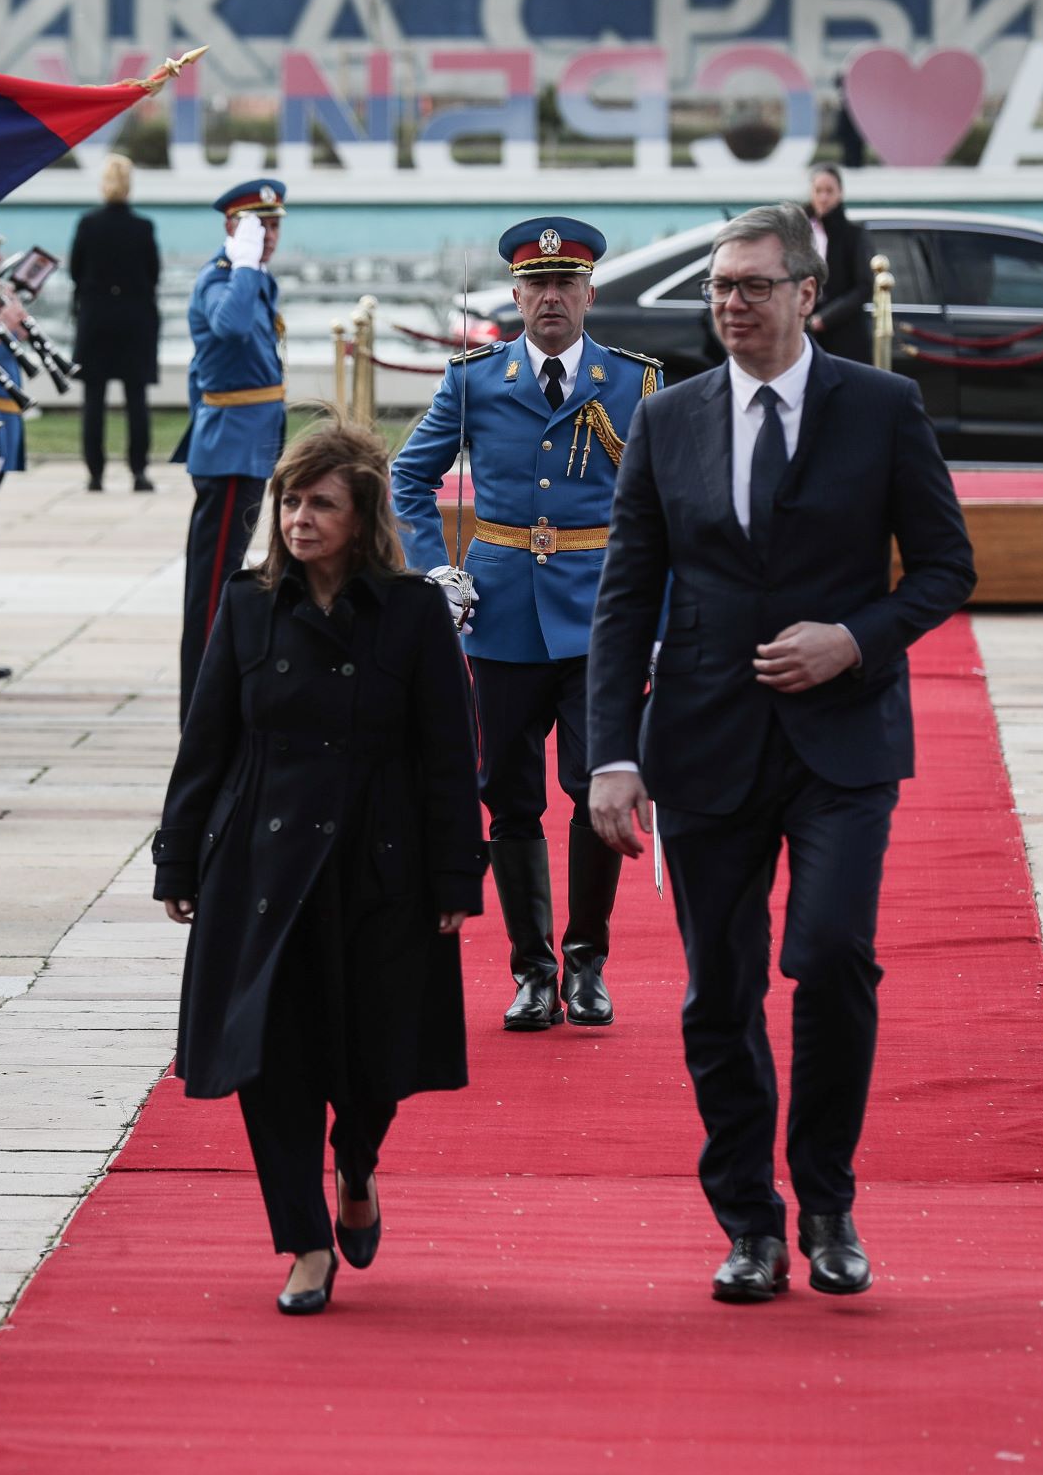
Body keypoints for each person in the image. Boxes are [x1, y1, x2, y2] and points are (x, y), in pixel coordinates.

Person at [585, 202, 974, 1305]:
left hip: (844, 740)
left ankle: (830, 1200)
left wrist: (855, 636)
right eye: (719, 288)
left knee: (833, 956)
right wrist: (612, 752)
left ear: (808, 292)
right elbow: (623, 599)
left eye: (754, 285)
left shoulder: (883, 407)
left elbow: (946, 568)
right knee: (720, 989)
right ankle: (749, 1221)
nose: (731, 305)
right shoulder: (669, 421)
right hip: (702, 739)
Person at [152, 415, 483, 1317]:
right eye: (290, 500)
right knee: (273, 1060)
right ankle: (302, 1240)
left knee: (374, 1058)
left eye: (321, 503)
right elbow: (207, 738)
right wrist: (178, 854)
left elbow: (449, 752)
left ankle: (360, 1160)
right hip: (262, 864)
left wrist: (459, 876)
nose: (300, 518)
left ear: (362, 513)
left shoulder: (411, 611)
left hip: (380, 862)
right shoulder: (247, 601)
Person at [391, 217, 660, 1033]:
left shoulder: (635, 383)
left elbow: (666, 510)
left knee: (594, 795)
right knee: (507, 799)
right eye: (537, 285)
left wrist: (660, 619)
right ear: (514, 295)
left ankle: (587, 964)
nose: (551, 297)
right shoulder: (475, 378)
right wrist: (435, 569)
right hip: (501, 616)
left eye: (566, 283)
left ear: (589, 292)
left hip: (600, 621)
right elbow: (409, 475)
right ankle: (532, 971)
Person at [177, 179, 286, 715]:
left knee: (229, 575)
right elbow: (231, 327)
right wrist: (242, 264)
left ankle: (215, 695)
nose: (268, 235)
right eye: (257, 224)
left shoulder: (256, 280)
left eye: (274, 224)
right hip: (228, 450)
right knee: (212, 585)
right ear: (231, 228)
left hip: (247, 443)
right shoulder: (223, 280)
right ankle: (198, 707)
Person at [69, 152, 158, 493]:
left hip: (96, 319)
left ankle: (95, 472)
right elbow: (154, 273)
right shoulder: (143, 227)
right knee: (137, 399)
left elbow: (76, 270)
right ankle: (139, 470)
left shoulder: (88, 224)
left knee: (94, 400)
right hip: (135, 318)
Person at [805, 164, 872, 364]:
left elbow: (864, 286)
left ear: (840, 193)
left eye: (829, 191)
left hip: (844, 333)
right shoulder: (801, 231)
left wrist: (824, 319)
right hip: (804, 331)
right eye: (818, 191)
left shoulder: (854, 234)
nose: (823, 198)